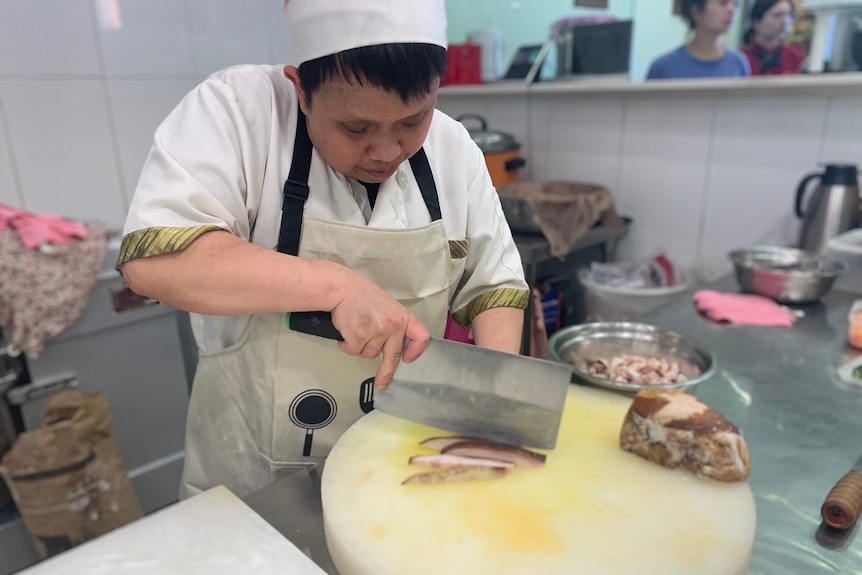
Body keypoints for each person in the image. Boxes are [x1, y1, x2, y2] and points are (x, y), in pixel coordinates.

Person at [118, 0, 530, 499]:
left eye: (412, 120)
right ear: (302, 90)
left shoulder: (452, 145)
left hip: (403, 462)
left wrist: (493, 412)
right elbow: (154, 260)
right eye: (356, 129)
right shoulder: (237, 110)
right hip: (256, 478)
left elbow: (496, 284)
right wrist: (337, 287)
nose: (386, 151)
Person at [647, 0, 751, 80]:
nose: (731, 10)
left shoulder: (738, 62)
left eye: (736, 4)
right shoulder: (663, 67)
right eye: (722, 3)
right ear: (696, 11)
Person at [740, 0, 804, 75]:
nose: (785, 21)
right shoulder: (741, 57)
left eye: (789, 15)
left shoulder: (794, 56)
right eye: (777, 15)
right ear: (755, 22)